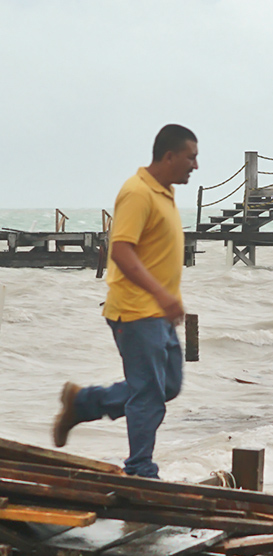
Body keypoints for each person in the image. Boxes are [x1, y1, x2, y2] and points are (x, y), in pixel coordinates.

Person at [52, 124, 198, 478]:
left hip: (159, 314)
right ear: (169, 156)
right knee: (149, 393)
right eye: (191, 157)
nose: (195, 165)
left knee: (167, 386)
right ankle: (140, 471)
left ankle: (83, 402)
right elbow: (120, 250)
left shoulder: (163, 192)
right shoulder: (137, 192)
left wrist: (168, 301)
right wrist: (162, 295)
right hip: (135, 311)